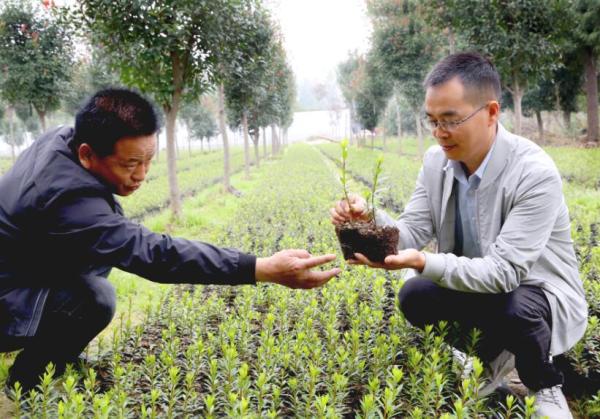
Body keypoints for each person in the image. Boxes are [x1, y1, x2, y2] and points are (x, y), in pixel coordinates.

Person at [0, 88, 341, 394]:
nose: (142, 175)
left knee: (97, 260)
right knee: (95, 298)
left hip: (23, 266)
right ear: (88, 155)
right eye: (130, 164)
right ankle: (29, 383)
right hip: (6, 298)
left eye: (149, 160)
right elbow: (154, 255)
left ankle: (54, 355)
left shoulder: (64, 139)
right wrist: (261, 268)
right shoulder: (67, 198)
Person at [330, 52, 587, 418]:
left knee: (515, 308)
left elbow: (503, 274)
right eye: (432, 121)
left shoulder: (534, 173)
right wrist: (367, 220)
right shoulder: (437, 162)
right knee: (415, 294)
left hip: (533, 292)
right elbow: (412, 231)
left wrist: (424, 260)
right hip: (476, 285)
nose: (439, 133)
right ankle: (490, 358)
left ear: (492, 112)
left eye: (450, 120)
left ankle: (543, 381)